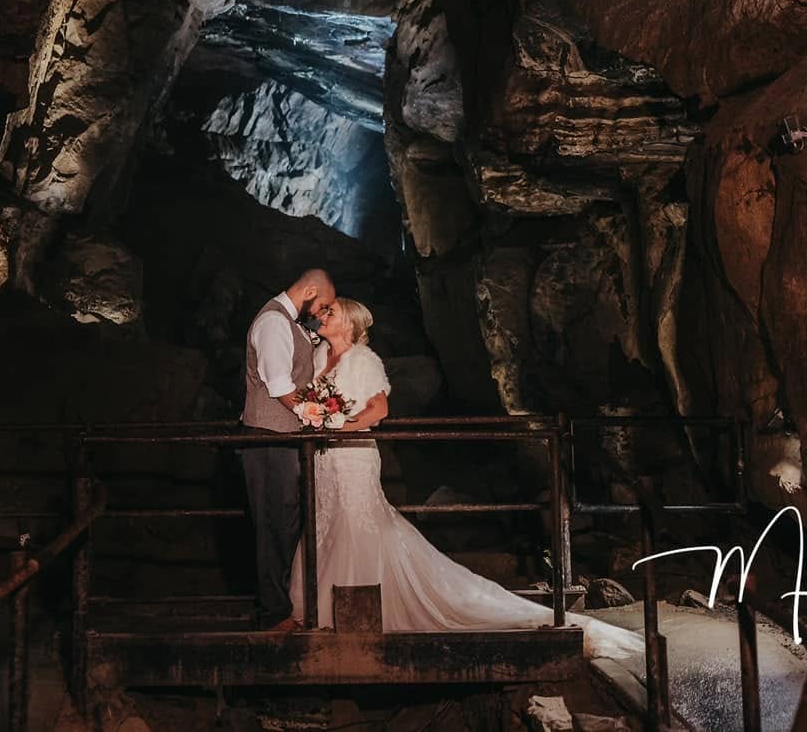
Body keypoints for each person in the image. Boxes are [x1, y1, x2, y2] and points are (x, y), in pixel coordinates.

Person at [288, 298, 643, 663]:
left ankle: (356, 605)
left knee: (356, 522)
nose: (322, 316)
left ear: (349, 323)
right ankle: (319, 604)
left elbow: (379, 409)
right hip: (324, 458)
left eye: (330, 313)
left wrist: (343, 427)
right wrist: (313, 416)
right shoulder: (318, 357)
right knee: (325, 518)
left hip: (352, 455)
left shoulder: (363, 360)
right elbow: (307, 397)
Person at [240, 267, 335, 631]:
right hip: (267, 438)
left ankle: (279, 607)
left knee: (285, 523)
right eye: (323, 303)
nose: (321, 312)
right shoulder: (273, 323)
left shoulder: (291, 325)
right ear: (310, 289)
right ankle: (273, 614)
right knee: (273, 525)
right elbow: (279, 386)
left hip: (281, 439)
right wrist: (312, 415)